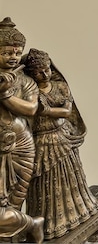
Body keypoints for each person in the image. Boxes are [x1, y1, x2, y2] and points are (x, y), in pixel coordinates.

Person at [23, 48, 98, 240]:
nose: (45, 74)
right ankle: (47, 225)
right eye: (39, 71)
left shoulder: (60, 87)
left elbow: (67, 111)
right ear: (31, 73)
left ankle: (81, 210)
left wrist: (45, 110)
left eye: (47, 69)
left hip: (62, 137)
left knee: (72, 177)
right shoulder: (29, 91)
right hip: (40, 141)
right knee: (43, 183)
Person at [0, 17, 44, 243]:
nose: (13, 57)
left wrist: (5, 95)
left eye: (16, 53)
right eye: (6, 52)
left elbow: (31, 109)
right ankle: (31, 224)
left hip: (20, 145)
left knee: (14, 198)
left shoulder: (25, 81)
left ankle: (17, 234)